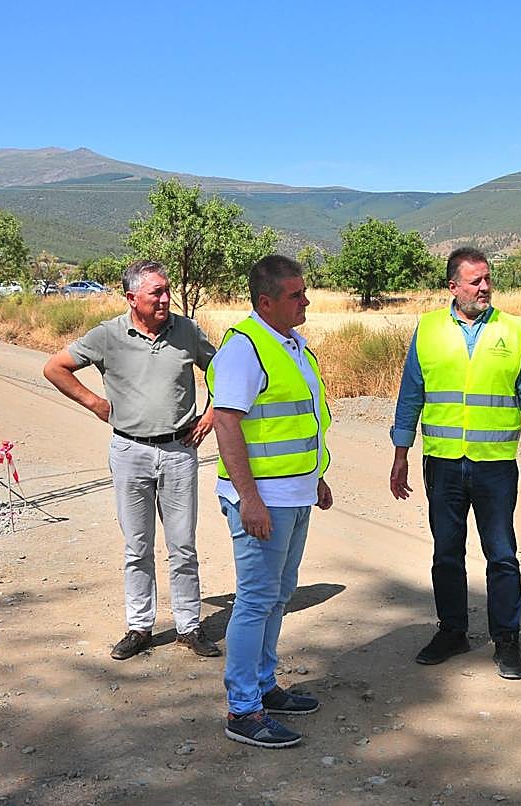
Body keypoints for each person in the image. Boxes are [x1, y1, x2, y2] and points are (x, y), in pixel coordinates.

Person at [388, 247, 521, 681]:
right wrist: (400, 454)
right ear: (453, 286)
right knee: (446, 553)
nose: (484, 287)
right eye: (475, 281)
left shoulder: (513, 330)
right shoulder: (427, 329)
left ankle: (507, 640)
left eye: (487, 279)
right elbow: (411, 395)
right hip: (443, 463)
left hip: (495, 464)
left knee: (501, 555)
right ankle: (452, 632)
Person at [43, 259, 221, 661]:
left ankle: (189, 627)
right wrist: (93, 403)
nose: (165, 298)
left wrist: (210, 415)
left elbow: (223, 370)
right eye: (156, 292)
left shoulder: (187, 331)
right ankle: (140, 626)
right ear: (131, 298)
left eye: (167, 290)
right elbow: (55, 367)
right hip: (130, 452)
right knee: (137, 546)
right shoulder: (108, 335)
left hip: (178, 451)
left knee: (183, 546)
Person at [208, 254, 333, 749]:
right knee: (256, 601)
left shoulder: (294, 346)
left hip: (295, 494)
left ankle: (264, 686)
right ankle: (243, 711)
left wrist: (317, 478)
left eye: (304, 292)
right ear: (266, 301)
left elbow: (302, 421)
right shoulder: (245, 350)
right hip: (263, 502)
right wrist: (249, 499)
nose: (306, 301)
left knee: (279, 597)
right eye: (295, 295)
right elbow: (226, 424)